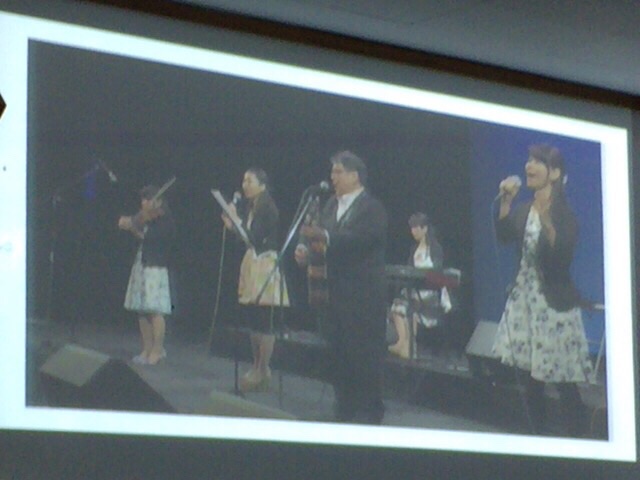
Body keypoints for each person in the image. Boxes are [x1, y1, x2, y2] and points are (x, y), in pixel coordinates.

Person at [492, 144, 593, 436]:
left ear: (555, 173)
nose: (529, 166)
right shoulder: (525, 209)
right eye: (528, 160)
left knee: (562, 379)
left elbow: (561, 259)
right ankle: (536, 437)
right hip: (525, 301)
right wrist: (506, 203)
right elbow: (504, 237)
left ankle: (580, 438)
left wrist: (548, 222)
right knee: (530, 378)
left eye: (538, 161)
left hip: (552, 305)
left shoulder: (564, 214)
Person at [295, 151, 388, 424]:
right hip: (332, 295)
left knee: (363, 358)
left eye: (338, 172)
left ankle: (368, 413)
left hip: (362, 297)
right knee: (338, 355)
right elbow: (318, 241)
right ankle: (344, 409)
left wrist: (325, 236)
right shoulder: (329, 206)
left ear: (355, 175)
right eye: (332, 172)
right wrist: (305, 251)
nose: (332, 177)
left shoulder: (372, 208)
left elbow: (362, 239)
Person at [222, 168, 289, 393]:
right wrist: (234, 225)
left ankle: (263, 368)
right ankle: (257, 366)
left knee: (264, 319)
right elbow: (246, 238)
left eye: (249, 181)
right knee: (253, 318)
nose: (244, 185)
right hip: (253, 262)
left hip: (265, 264)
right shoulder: (253, 205)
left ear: (262, 184)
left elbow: (255, 237)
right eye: (243, 180)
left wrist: (235, 221)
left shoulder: (268, 207)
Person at [119, 185, 175, 366]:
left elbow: (153, 239)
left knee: (155, 310)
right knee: (141, 309)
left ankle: (158, 350)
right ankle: (147, 348)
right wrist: (132, 227)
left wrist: (133, 225)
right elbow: (143, 236)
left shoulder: (165, 220)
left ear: (159, 201)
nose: (144, 203)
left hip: (155, 267)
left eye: (148, 199)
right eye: (143, 199)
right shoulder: (148, 218)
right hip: (142, 263)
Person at [388, 212, 448, 359]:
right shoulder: (413, 249)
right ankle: (405, 344)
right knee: (397, 307)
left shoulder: (435, 248)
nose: (413, 231)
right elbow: (409, 270)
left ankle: (406, 346)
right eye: (411, 228)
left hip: (430, 292)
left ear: (425, 228)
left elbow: (437, 272)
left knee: (408, 306)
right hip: (415, 290)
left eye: (416, 228)